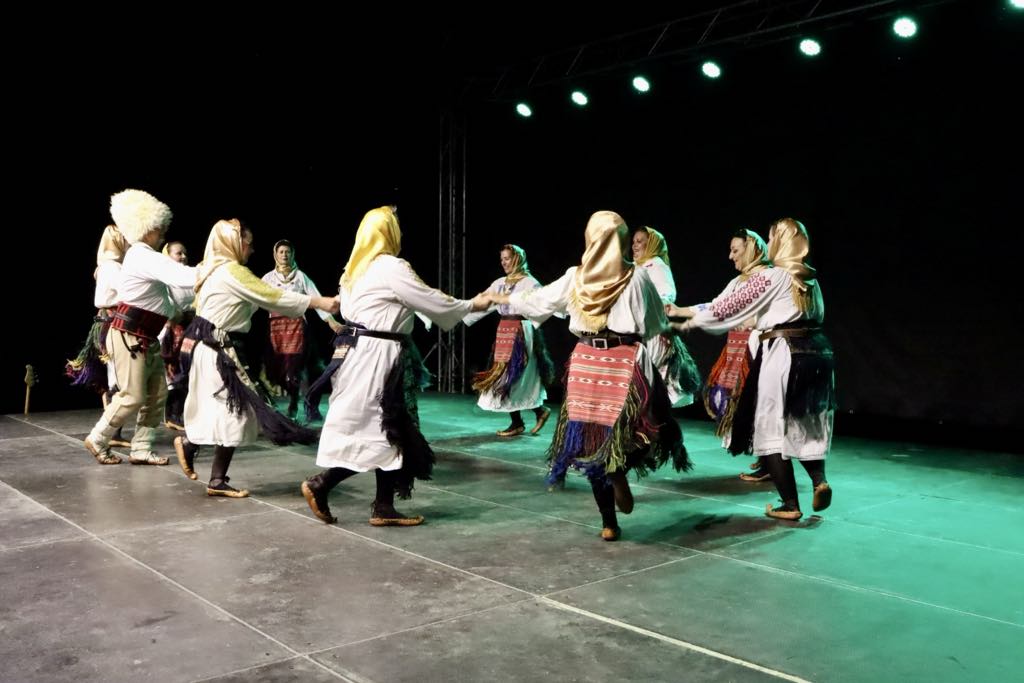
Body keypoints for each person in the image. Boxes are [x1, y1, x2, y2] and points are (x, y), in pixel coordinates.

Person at [490, 211, 689, 541]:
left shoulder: (576, 277)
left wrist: (505, 297)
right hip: (625, 361)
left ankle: (609, 523)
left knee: (591, 440)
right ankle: (619, 468)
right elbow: (654, 323)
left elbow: (537, 301)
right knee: (652, 425)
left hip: (586, 363)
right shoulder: (636, 277)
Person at [300, 206, 489, 526]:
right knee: (383, 426)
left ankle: (383, 506)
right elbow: (427, 298)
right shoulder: (390, 267)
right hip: (379, 356)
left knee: (387, 427)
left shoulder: (353, 271)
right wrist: (472, 305)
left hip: (357, 353)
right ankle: (322, 484)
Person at [670, 218, 835, 520]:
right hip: (818, 353)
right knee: (806, 422)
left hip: (785, 352)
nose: (769, 243)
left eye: (771, 238)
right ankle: (819, 481)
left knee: (768, 426)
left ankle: (790, 504)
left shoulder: (774, 276)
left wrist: (690, 322)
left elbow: (730, 306)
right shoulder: (810, 279)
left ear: (782, 241)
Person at [172, 219, 339, 497]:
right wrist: (319, 302)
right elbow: (272, 296)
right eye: (248, 243)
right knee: (236, 412)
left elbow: (258, 299)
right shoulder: (232, 271)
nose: (251, 249)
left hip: (212, 348)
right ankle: (196, 452)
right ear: (234, 242)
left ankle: (208, 468)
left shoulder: (213, 270)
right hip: (219, 350)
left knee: (227, 411)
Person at [83, 190, 197, 466]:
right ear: (147, 227)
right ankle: (98, 438)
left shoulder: (147, 257)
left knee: (157, 395)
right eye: (160, 227)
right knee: (132, 396)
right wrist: (212, 271)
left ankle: (141, 448)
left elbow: (176, 297)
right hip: (129, 335)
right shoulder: (141, 255)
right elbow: (181, 276)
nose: (163, 232)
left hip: (145, 337)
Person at [696, 229, 773, 481]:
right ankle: (765, 457)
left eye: (735, 250)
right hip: (739, 347)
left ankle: (770, 462)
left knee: (759, 401)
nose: (731, 256)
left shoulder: (768, 278)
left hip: (759, 349)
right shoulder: (738, 281)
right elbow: (717, 305)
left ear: (751, 249)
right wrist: (683, 311)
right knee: (744, 401)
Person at [466, 244, 554, 437]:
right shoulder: (499, 283)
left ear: (517, 259)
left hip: (521, 332)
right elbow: (483, 302)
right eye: (502, 259)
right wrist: (459, 312)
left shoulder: (530, 283)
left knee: (516, 376)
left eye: (507, 258)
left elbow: (542, 305)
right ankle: (522, 420)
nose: (504, 263)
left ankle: (534, 414)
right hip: (504, 332)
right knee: (502, 377)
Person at [261, 239, 342, 421]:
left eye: (287, 252)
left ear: (293, 254)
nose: (284, 255)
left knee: (295, 369)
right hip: (276, 329)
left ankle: (294, 402)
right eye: (281, 252)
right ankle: (291, 396)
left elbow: (316, 298)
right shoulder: (268, 278)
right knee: (277, 370)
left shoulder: (300, 277)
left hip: (297, 328)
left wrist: (330, 321)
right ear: (275, 255)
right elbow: (254, 297)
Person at [66, 224, 131, 448]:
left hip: (108, 321)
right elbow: (128, 293)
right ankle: (112, 433)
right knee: (116, 379)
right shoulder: (113, 267)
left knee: (115, 377)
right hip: (113, 323)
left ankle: (114, 432)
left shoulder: (106, 266)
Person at [631, 226, 701, 408]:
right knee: (643, 384)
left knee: (648, 383)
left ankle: (651, 421)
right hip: (639, 331)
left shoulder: (656, 265)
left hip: (652, 332)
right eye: (633, 242)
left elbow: (667, 295)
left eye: (640, 241)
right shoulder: (635, 268)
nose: (634, 245)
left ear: (652, 244)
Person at [159, 240, 193, 431]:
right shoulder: (164, 279)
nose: (183, 257)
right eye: (179, 253)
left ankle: (178, 413)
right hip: (172, 329)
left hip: (190, 327)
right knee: (174, 373)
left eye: (185, 253)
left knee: (187, 372)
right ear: (168, 255)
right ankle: (171, 415)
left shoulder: (189, 275)